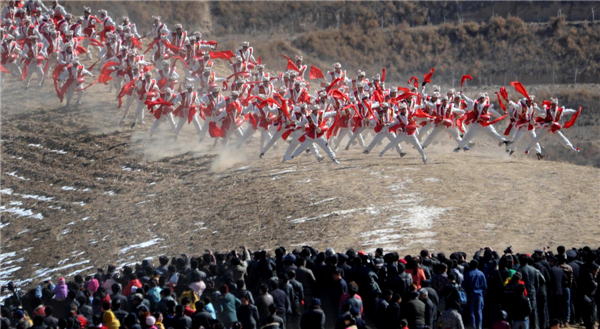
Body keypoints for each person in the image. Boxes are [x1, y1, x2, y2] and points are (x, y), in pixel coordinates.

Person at [462, 260, 487, 329]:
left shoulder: (468, 274)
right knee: (479, 312)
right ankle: (479, 327)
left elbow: (464, 287)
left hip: (471, 295)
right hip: (479, 295)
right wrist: (482, 295)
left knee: (471, 313)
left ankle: (473, 327)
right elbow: (485, 286)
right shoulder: (481, 274)